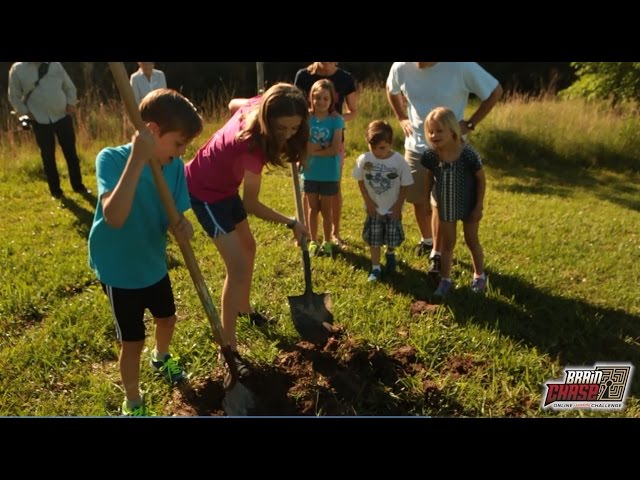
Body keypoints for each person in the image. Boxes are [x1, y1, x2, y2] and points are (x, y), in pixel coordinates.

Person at [88, 89, 203, 416]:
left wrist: (184, 227)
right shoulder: (111, 159)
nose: (181, 152)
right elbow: (115, 217)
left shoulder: (175, 167)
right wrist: (139, 160)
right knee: (133, 341)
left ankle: (162, 357)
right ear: (152, 132)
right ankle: (133, 399)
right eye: (179, 143)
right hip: (119, 269)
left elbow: (176, 218)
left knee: (167, 319)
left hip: (152, 262)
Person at [185, 83, 309, 377]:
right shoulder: (251, 148)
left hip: (225, 187)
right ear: (268, 119)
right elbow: (251, 203)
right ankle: (228, 347)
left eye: (295, 127)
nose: (288, 134)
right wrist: (292, 222)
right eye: (282, 128)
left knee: (249, 247)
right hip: (204, 192)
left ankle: (244, 308)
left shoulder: (260, 102)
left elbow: (231, 104)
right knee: (238, 267)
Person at [386, 62, 502, 274]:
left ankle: (437, 256)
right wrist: (402, 117)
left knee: (439, 203)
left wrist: (471, 123)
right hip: (416, 147)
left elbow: (495, 91)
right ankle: (428, 240)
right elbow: (390, 88)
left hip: (450, 153)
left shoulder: (461, 67)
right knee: (419, 200)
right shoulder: (400, 66)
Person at [421, 107, 486, 298]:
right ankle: (445, 280)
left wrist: (478, 207)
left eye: (439, 131)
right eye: (431, 131)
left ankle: (480, 276)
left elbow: (481, 180)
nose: (434, 135)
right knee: (447, 244)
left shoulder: (468, 154)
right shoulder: (432, 156)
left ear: (452, 130)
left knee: (471, 240)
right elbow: (429, 179)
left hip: (469, 205)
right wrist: (425, 201)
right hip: (446, 207)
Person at [294, 62, 358, 246]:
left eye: (326, 99)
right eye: (317, 99)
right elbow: (296, 108)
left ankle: (334, 235)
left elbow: (353, 112)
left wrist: (333, 119)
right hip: (307, 141)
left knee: (333, 189)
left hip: (333, 142)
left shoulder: (345, 78)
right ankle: (307, 233)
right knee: (308, 192)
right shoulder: (303, 76)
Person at [8, 62, 90, 198]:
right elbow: (14, 96)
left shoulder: (55, 65)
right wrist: (26, 113)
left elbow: (69, 87)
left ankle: (78, 186)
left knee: (71, 154)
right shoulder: (17, 70)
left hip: (62, 116)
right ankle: (56, 192)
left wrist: (71, 103)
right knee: (48, 157)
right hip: (39, 120)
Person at [353, 120, 413, 282]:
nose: (377, 152)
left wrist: (399, 204)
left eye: (382, 148)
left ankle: (391, 253)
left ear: (390, 143)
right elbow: (360, 181)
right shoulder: (364, 160)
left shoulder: (399, 161)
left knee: (392, 238)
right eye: (373, 148)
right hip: (374, 208)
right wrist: (369, 202)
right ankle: (376, 267)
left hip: (393, 208)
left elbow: (406, 184)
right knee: (375, 238)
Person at [302, 79, 344, 257]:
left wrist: (313, 151)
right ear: (311, 98)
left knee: (326, 209)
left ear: (331, 100)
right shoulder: (307, 119)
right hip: (310, 172)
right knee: (313, 209)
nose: (321, 102)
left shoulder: (336, 120)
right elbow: (302, 145)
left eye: (325, 98)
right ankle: (313, 241)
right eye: (317, 98)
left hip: (328, 173)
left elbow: (335, 148)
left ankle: (327, 241)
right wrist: (319, 150)